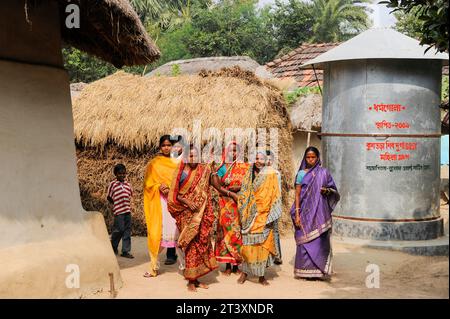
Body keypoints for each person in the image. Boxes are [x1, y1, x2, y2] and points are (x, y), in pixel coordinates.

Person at [167, 145, 218, 291]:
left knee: (201, 244)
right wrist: (187, 202)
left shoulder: (203, 170)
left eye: (196, 156)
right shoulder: (181, 172)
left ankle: (196, 279)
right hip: (187, 214)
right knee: (190, 246)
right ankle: (190, 280)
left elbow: (212, 181)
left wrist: (214, 168)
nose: (193, 159)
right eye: (190, 156)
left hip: (201, 214)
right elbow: (174, 194)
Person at [291, 146, 340, 280]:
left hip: (320, 213)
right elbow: (297, 195)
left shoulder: (324, 173)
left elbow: (333, 191)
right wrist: (297, 213)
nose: (311, 159)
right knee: (304, 240)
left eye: (313, 157)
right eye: (308, 157)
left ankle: (319, 271)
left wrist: (327, 191)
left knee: (319, 241)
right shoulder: (301, 174)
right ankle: (304, 271)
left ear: (318, 158)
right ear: (305, 158)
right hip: (305, 212)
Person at [237, 151, 282, 286]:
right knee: (247, 245)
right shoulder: (248, 174)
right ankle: (244, 273)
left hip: (265, 214)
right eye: (256, 157)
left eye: (261, 158)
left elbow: (275, 194)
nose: (258, 161)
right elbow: (244, 192)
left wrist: (271, 214)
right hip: (249, 215)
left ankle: (261, 276)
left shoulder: (272, 175)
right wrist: (246, 207)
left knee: (262, 246)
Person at [143, 135, 180, 277]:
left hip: (175, 203)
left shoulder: (178, 163)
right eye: (164, 145)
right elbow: (147, 184)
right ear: (160, 147)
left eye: (169, 145)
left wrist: (171, 188)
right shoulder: (153, 164)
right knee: (157, 233)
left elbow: (183, 182)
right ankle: (153, 267)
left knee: (178, 233)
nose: (166, 147)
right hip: (159, 204)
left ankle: (185, 267)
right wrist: (158, 186)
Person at [211, 141, 249, 275]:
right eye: (231, 151)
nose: (233, 153)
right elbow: (216, 185)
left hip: (239, 204)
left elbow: (249, 184)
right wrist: (229, 193)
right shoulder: (222, 168)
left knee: (237, 233)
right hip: (225, 204)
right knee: (225, 232)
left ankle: (236, 265)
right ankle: (227, 265)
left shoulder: (245, 167)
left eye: (235, 151)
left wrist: (239, 188)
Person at [107, 163, 134, 259]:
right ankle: (113, 246)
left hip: (127, 210)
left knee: (127, 230)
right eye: (119, 173)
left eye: (123, 173)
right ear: (115, 174)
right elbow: (109, 197)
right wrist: (116, 205)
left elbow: (130, 195)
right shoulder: (112, 184)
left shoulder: (128, 184)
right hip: (118, 211)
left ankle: (125, 251)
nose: (122, 175)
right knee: (119, 230)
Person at [266, 150, 283, 265]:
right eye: (265, 159)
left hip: (273, 205)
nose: (267, 161)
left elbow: (278, 191)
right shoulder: (259, 174)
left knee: (275, 230)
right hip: (262, 206)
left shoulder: (276, 174)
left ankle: (277, 255)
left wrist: (275, 206)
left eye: (269, 159)